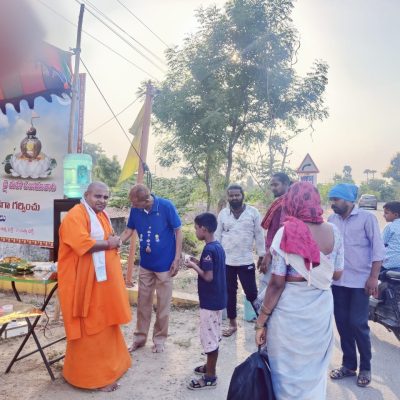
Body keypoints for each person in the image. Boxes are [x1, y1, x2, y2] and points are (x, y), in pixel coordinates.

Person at [255, 182, 344, 400]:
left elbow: (276, 283)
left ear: (292, 202)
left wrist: (261, 321)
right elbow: (337, 274)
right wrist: (315, 271)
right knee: (313, 370)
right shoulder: (334, 232)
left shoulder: (286, 232)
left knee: (286, 371)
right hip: (320, 309)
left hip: (289, 312)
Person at [57, 181, 131, 392]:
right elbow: (83, 244)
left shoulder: (101, 216)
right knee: (90, 327)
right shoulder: (75, 215)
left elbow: (109, 239)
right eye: (98, 196)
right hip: (83, 284)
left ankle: (113, 367)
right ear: (86, 195)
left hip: (100, 284)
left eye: (106, 197)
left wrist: (112, 241)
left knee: (106, 321)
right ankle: (91, 378)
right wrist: (110, 244)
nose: (102, 201)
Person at [328, 183, 385, 388]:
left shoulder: (367, 219)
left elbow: (378, 250)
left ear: (349, 200)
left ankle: (366, 367)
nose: (332, 203)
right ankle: (349, 365)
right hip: (338, 281)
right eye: (331, 199)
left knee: (358, 324)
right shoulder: (331, 220)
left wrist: (373, 277)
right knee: (342, 323)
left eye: (336, 199)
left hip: (360, 282)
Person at [120, 184, 182, 353]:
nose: (133, 206)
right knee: (143, 303)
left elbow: (178, 231)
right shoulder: (136, 210)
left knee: (163, 304)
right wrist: (118, 242)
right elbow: (129, 230)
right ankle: (139, 339)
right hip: (146, 265)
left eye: (136, 204)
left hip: (165, 265)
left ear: (147, 200)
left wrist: (177, 258)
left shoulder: (166, 206)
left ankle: (159, 340)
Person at [215, 184, 266, 337]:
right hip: (227, 261)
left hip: (246, 261)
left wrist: (261, 255)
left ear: (243, 196)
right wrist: (217, 257)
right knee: (229, 293)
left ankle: (261, 322)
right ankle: (232, 324)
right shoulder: (223, 214)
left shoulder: (253, 212)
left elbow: (259, 235)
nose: (234, 198)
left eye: (237, 195)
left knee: (252, 294)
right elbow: (217, 236)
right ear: (227, 197)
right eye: (231, 195)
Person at [185, 213, 227, 390]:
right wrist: (197, 261)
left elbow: (208, 277)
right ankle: (208, 366)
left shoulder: (209, 250)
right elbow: (212, 268)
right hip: (218, 299)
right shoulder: (217, 247)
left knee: (209, 338)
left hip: (209, 301)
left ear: (204, 229)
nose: (195, 231)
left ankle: (210, 376)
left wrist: (193, 266)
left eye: (196, 228)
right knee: (213, 334)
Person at [259, 172, 291, 291]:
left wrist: (268, 254)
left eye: (276, 185)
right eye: (271, 185)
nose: (273, 188)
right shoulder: (280, 202)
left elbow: (282, 231)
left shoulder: (286, 203)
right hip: (274, 250)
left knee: (267, 288)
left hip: (277, 252)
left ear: (286, 184)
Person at [380, 201, 400, 280]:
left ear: (396, 215)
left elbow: (381, 243)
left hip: (389, 264)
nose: (383, 215)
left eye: (386, 213)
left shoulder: (390, 226)